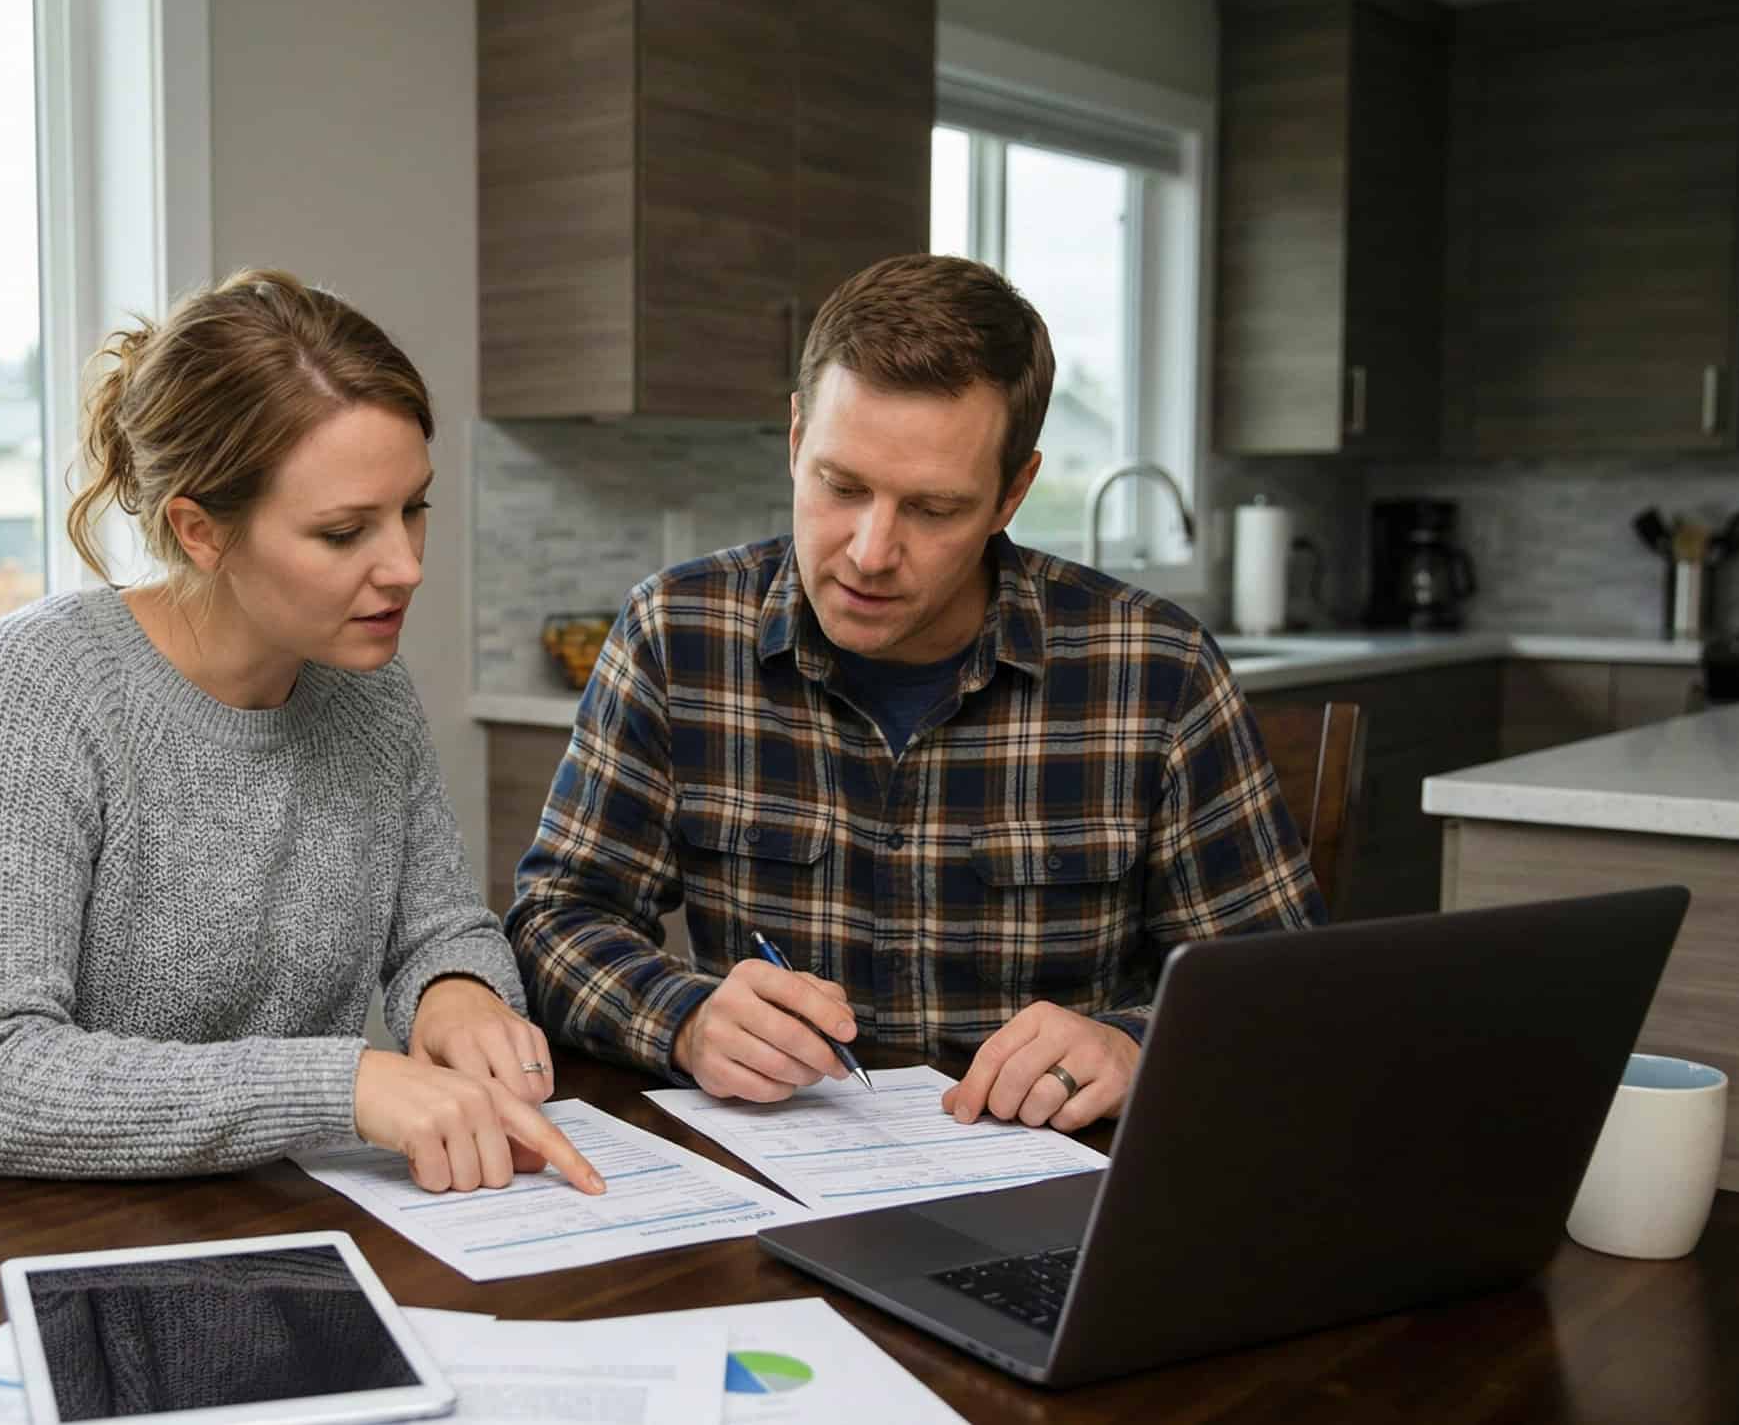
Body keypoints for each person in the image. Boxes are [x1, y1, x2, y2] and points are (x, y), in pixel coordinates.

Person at [505, 253, 1326, 1134]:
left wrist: (1133, 1044)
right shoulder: (676, 634)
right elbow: (555, 923)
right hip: (779, 1176)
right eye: (840, 486)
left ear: (1012, 493)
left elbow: (1285, 998)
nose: (868, 551)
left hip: (1056, 1184)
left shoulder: (1156, 670)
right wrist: (687, 1018)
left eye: (933, 510)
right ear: (793, 442)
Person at [0, 268, 603, 1201]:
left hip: (213, 1221)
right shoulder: (34, 688)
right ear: (199, 530)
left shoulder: (370, 693)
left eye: (415, 509)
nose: (403, 565)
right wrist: (347, 1083)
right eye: (342, 532)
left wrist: (458, 992)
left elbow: (438, 928)